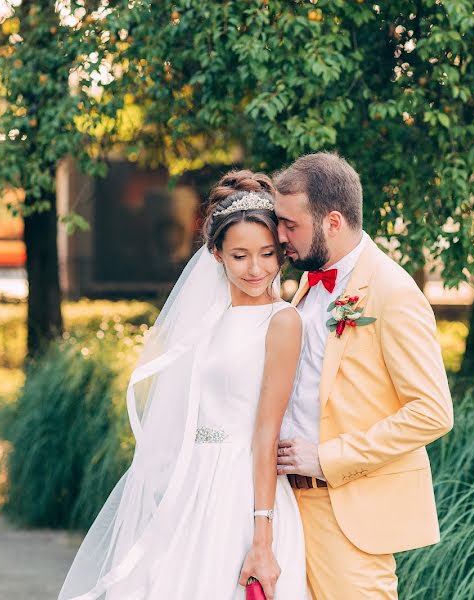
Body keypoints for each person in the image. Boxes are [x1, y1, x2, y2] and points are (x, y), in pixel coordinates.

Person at [58, 171, 309, 600]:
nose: (256, 269)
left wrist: (262, 538)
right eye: (240, 256)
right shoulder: (204, 319)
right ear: (216, 254)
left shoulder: (282, 321)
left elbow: (266, 432)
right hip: (190, 483)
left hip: (243, 489)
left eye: (267, 254)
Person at [271, 152, 454, 599]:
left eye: (290, 225)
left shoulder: (392, 292)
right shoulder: (307, 285)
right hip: (289, 508)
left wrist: (329, 458)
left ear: (332, 222)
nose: (280, 237)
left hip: (347, 513)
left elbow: (432, 413)